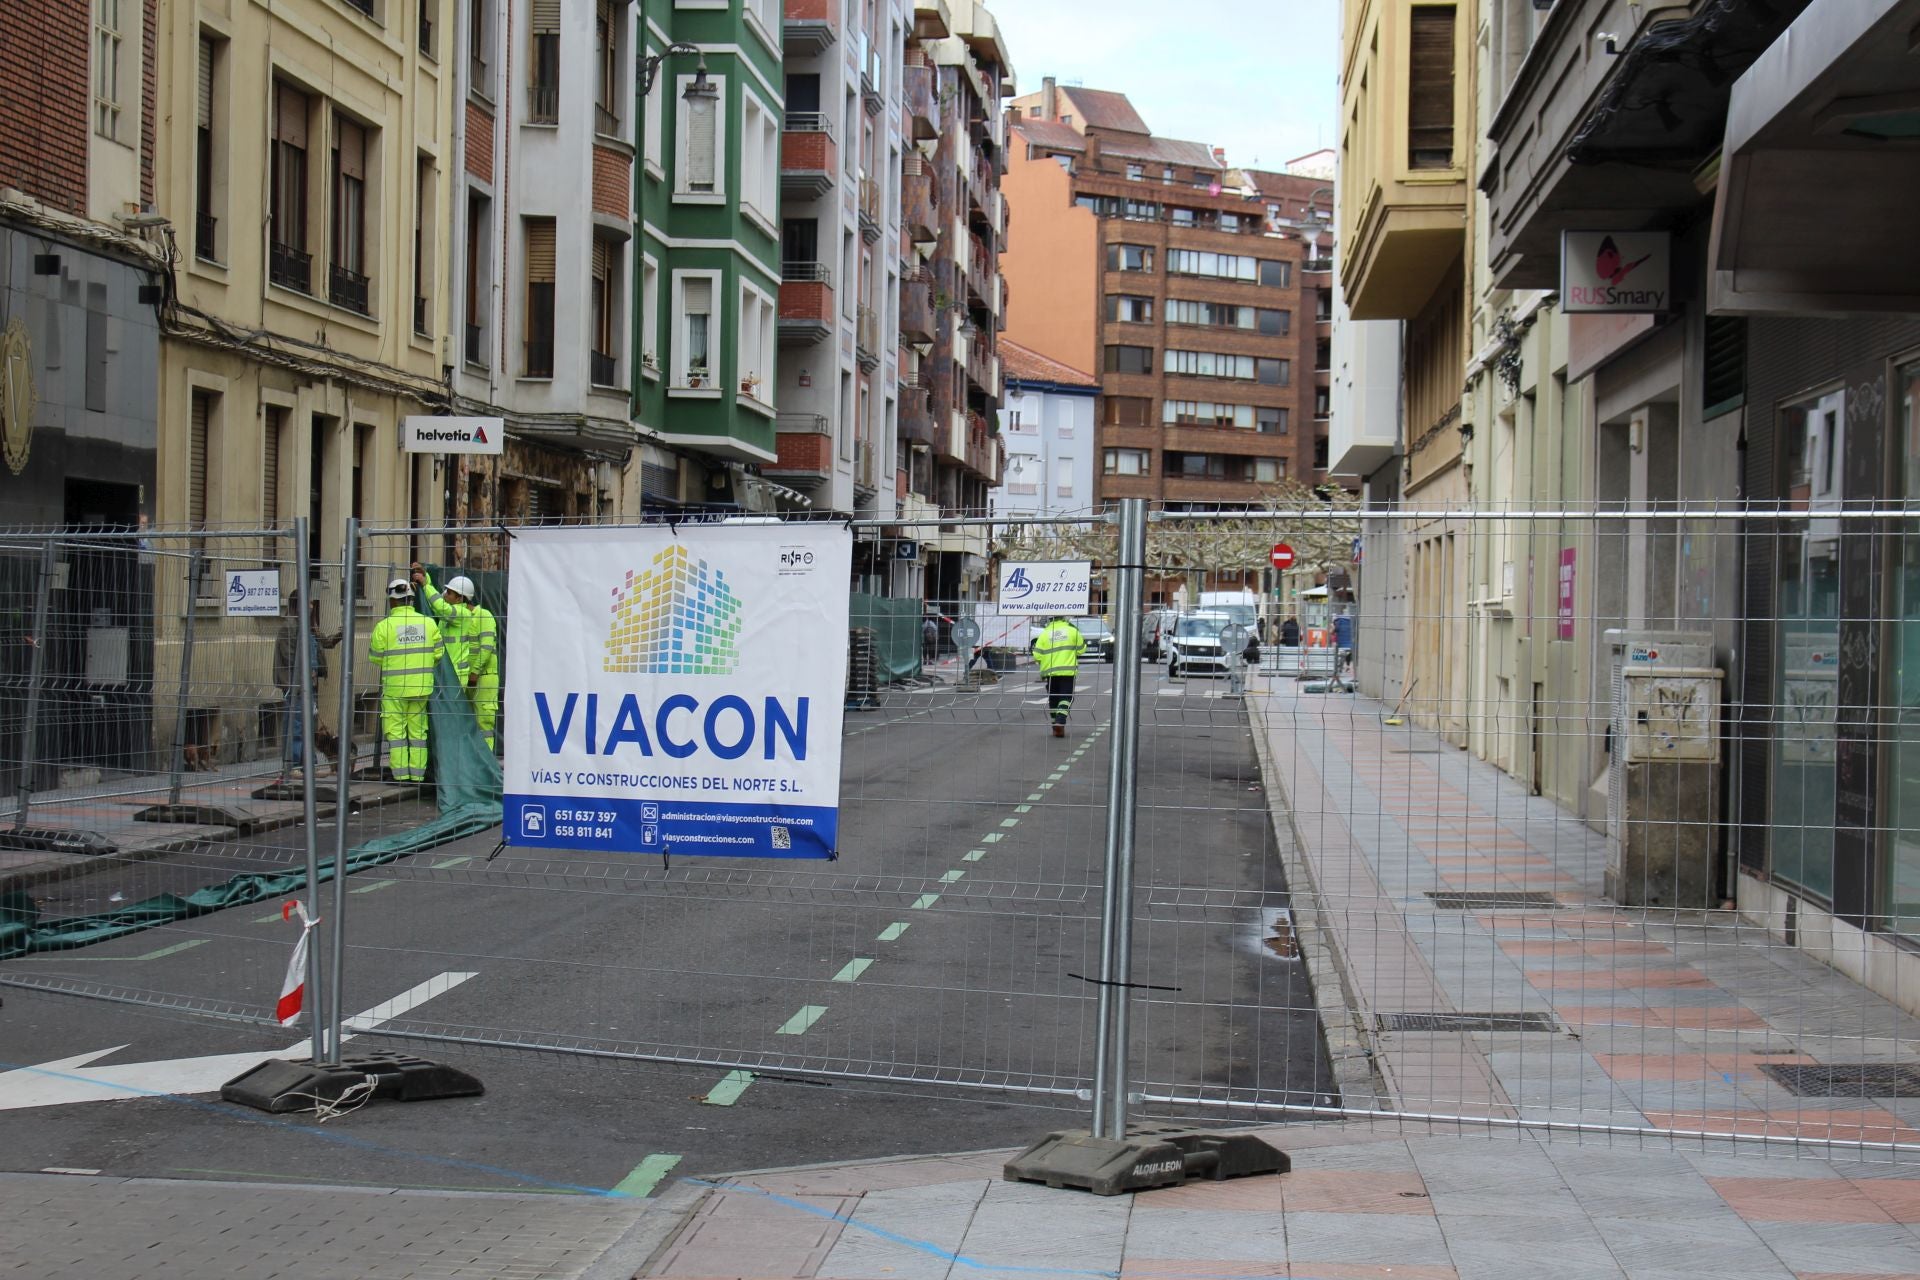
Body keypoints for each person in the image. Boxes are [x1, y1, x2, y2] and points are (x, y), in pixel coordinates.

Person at [368, 578, 448, 785]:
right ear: (411, 600)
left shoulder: (384, 626)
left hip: (395, 690)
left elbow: (375, 657)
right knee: (418, 733)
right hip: (421, 688)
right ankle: (418, 775)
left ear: (392, 601)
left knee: (396, 734)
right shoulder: (428, 623)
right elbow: (438, 653)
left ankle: (402, 776)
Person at [416, 565, 499, 750]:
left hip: (483, 677)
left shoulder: (481, 616)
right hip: (465, 677)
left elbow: (486, 647)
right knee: (464, 722)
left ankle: (486, 765)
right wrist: (426, 579)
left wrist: (475, 672)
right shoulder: (450, 618)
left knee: (483, 722)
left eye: (450, 593)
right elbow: (440, 606)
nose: (445, 595)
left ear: (461, 598)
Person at [272, 597, 341, 779]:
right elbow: (289, 656)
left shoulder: (310, 627)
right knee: (295, 727)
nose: (311, 606)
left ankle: (309, 766)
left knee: (308, 727)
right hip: (295, 686)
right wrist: (307, 671)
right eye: (308, 602)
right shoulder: (289, 627)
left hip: (309, 686)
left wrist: (341, 634)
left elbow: (326, 643)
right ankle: (293, 765)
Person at [1033, 614, 1087, 738]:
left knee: (1054, 698)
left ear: (1050, 620)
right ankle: (1060, 721)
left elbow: (1037, 655)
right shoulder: (1072, 631)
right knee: (1066, 697)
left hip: (1050, 672)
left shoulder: (1045, 633)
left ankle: (1055, 725)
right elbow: (1081, 649)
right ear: (1064, 618)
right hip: (1067, 671)